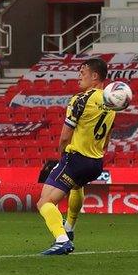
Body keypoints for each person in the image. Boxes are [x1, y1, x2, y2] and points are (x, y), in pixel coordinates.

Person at [36, 58, 115, 256]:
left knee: (44, 202)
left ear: (95, 76)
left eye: (83, 73)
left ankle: (62, 240)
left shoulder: (80, 99)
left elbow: (64, 136)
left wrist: (62, 155)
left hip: (76, 159)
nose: (79, 77)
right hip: (96, 162)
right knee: (77, 186)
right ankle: (69, 227)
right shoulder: (111, 101)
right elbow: (107, 139)